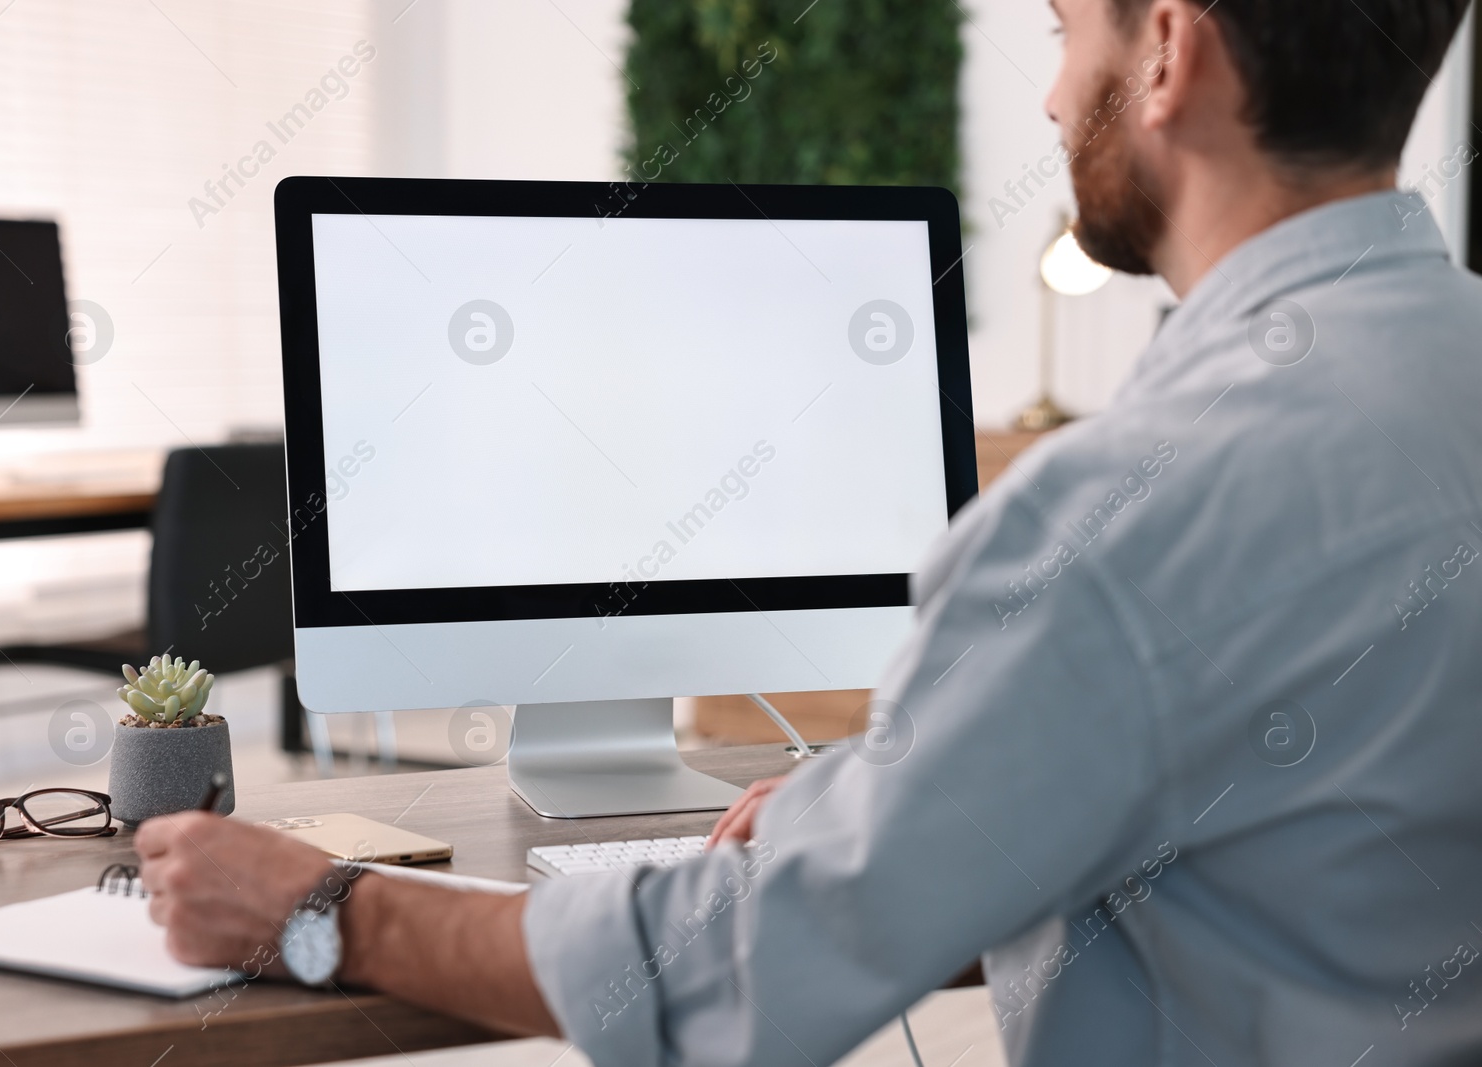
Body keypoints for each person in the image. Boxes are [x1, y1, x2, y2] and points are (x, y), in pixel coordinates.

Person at [136, 0, 1482, 1061]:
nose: (1056, 92)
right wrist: (890, 796)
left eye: (1066, 32)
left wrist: (320, 911)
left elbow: (743, 980)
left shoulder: (1122, 514)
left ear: (1169, 54)